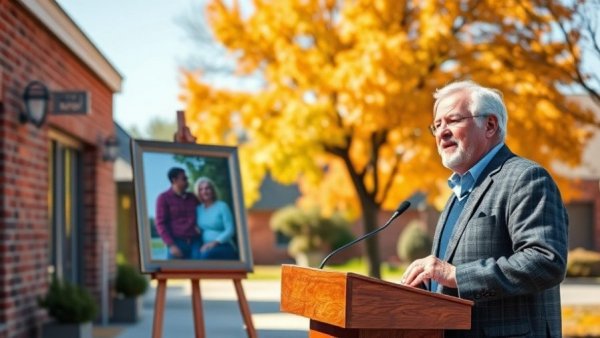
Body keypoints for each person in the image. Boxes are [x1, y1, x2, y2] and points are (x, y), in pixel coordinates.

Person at [401, 80, 568, 337]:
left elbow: (545, 262)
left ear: (490, 125)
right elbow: (449, 279)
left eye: (453, 120)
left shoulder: (526, 178)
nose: (441, 132)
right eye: (436, 125)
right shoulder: (457, 194)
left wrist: (457, 275)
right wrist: (426, 283)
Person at [155, 167, 201, 259]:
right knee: (174, 272)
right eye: (184, 179)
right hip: (176, 243)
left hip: (195, 242)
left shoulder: (193, 197)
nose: (187, 181)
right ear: (174, 180)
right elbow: (160, 224)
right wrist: (171, 245)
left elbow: (204, 214)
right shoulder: (163, 198)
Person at [194, 177, 238, 260]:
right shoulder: (198, 209)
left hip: (224, 245)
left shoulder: (222, 206)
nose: (204, 192)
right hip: (204, 245)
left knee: (205, 257)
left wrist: (214, 243)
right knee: (194, 257)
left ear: (212, 190)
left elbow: (230, 230)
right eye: (201, 189)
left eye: (207, 188)